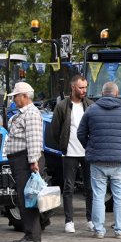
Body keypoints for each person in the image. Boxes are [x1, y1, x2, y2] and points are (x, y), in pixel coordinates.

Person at [77, 81, 121, 239]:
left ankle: (99, 230)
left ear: (102, 93)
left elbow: (80, 133)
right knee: (119, 197)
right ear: (117, 94)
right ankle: (120, 230)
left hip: (97, 161)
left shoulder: (91, 110)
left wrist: (90, 148)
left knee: (98, 196)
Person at [4, 81, 44, 242]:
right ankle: (30, 234)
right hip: (20, 160)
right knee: (25, 197)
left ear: (25, 96)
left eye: (16, 96)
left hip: (24, 161)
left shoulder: (31, 114)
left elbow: (34, 140)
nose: (14, 99)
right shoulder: (23, 114)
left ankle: (32, 236)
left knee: (27, 198)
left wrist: (33, 161)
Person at [51, 75, 93, 233]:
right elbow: (55, 130)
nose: (84, 90)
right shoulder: (62, 106)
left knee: (90, 187)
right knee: (68, 187)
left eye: (85, 87)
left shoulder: (90, 105)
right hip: (69, 153)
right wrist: (63, 144)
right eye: (81, 87)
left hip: (87, 152)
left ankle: (91, 220)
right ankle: (69, 221)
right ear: (73, 87)